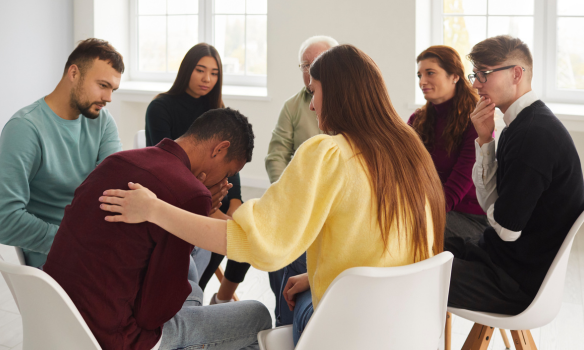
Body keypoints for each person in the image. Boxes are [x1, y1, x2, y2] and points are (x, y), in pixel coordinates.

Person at [98, 44, 447, 345]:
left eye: (315, 92)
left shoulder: (327, 154)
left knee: (270, 307)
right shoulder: (410, 151)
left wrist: (155, 209)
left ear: (338, 94)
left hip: (344, 333)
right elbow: (386, 244)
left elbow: (256, 242)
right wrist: (314, 276)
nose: (312, 106)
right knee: (298, 282)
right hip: (408, 328)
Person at [44, 108, 271, 350]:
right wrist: (198, 197)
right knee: (258, 316)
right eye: (228, 173)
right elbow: (151, 315)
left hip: (55, 316)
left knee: (192, 288)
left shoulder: (118, 160)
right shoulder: (190, 193)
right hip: (115, 337)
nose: (223, 182)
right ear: (219, 149)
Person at [446, 35, 584, 315]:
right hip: (498, 257)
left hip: (512, 281)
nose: (475, 84)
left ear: (517, 74)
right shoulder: (521, 125)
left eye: (484, 74)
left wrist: (496, 214)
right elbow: (493, 207)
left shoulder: (533, 136)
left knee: (407, 271)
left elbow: (506, 229)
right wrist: (486, 139)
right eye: (476, 74)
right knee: (412, 241)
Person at [0, 38, 124, 268]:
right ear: (74, 73)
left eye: (113, 89)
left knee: (178, 265)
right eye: (103, 85)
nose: (109, 98)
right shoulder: (24, 129)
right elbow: (4, 221)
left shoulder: (102, 122)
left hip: (98, 243)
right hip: (60, 258)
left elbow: (114, 189)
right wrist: (77, 240)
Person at [145, 43, 247, 302]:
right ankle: (191, 296)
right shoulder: (160, 108)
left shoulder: (219, 111)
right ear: (186, 70)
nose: (207, 79)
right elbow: (163, 164)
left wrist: (234, 202)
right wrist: (213, 209)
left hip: (219, 194)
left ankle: (220, 299)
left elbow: (230, 166)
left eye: (214, 73)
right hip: (184, 195)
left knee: (246, 235)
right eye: (200, 70)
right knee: (225, 238)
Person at [265, 35, 338, 326]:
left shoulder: (348, 112)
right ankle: (284, 312)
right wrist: (289, 196)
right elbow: (275, 156)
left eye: (317, 64)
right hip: (298, 199)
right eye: (305, 65)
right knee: (276, 240)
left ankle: (290, 318)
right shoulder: (293, 106)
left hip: (329, 207)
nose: (310, 71)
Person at [409, 45, 488, 245]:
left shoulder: (476, 121)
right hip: (431, 207)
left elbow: (456, 188)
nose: (422, 81)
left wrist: (418, 213)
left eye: (430, 73)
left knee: (405, 227)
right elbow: (402, 167)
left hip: (470, 217)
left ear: (454, 76)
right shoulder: (418, 119)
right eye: (419, 75)